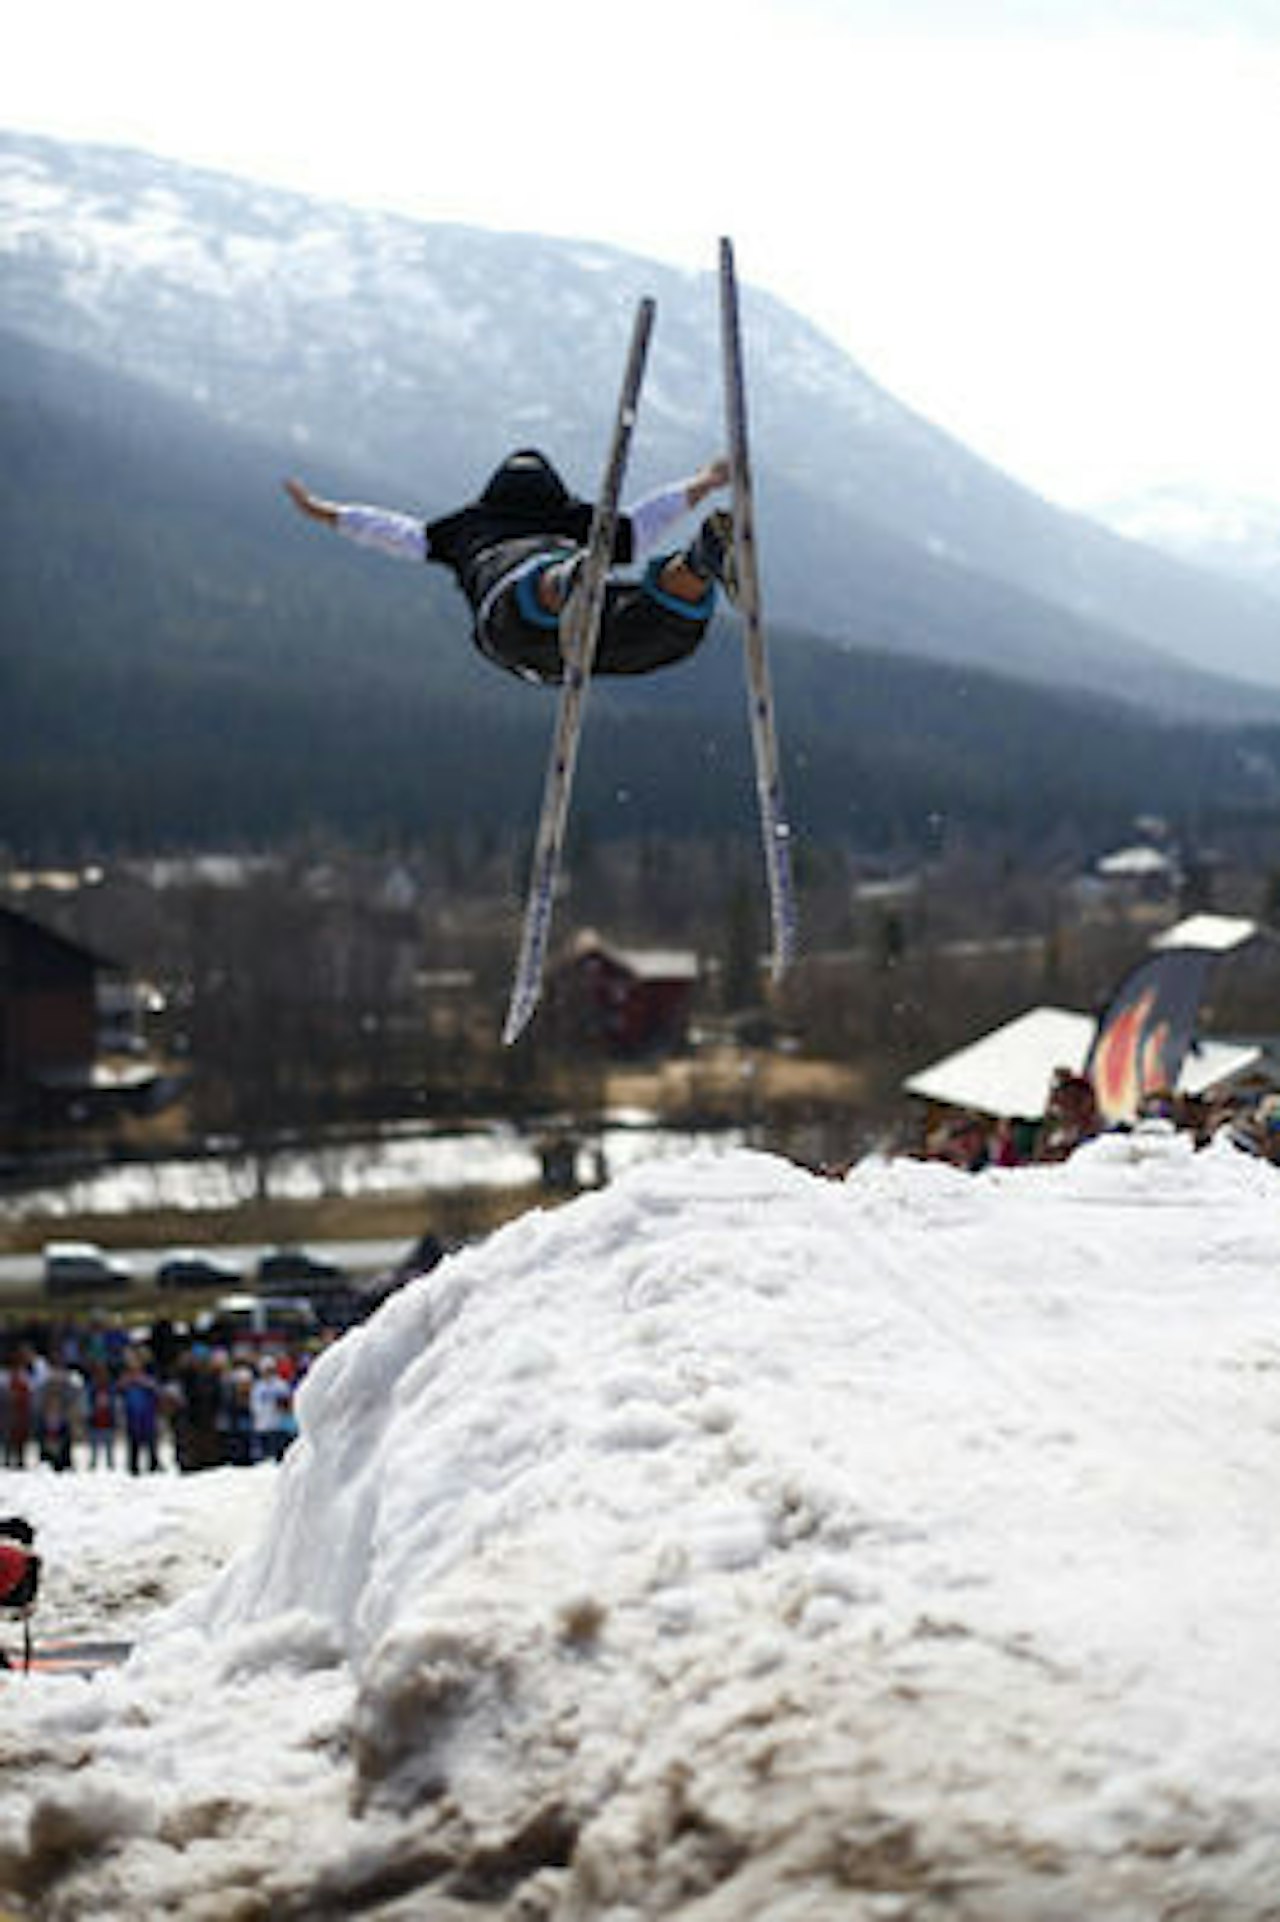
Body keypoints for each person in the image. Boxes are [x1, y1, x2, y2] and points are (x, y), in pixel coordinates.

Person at [283, 448, 736, 685]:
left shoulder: (464, 528)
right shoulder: (580, 520)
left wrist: (325, 512)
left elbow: (391, 531)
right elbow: (648, 520)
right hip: (582, 603)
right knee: (659, 628)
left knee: (537, 586)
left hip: (510, 621)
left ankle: (569, 582)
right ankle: (694, 568)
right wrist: (706, 481)